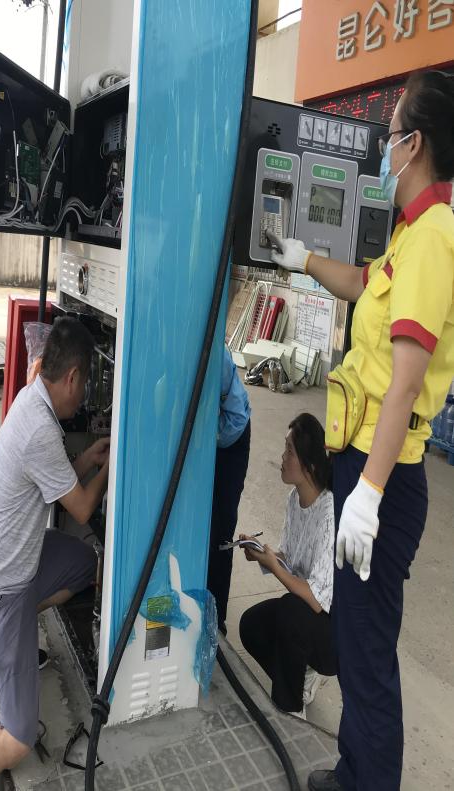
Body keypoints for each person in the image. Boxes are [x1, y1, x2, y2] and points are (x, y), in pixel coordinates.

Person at [268, 70, 454, 791]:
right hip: (364, 468)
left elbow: (404, 382)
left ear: (417, 145)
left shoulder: (435, 238)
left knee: (367, 651)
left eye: (392, 132)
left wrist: (369, 494)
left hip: (387, 478)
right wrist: (302, 259)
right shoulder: (410, 235)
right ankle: (355, 771)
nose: (384, 146)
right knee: (355, 635)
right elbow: (361, 283)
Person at [0, 317, 110, 791]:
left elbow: (56, 476)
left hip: (16, 563)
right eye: (86, 384)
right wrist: (112, 464)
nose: (84, 396)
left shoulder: (32, 397)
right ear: (72, 377)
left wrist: (87, 460)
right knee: (17, 738)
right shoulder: (39, 428)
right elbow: (81, 506)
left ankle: (16, 636)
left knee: (84, 564)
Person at [238, 413, 336, 715]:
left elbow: (317, 599)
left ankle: (291, 711)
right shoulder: (295, 499)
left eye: (289, 451)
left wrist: (275, 566)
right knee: (251, 625)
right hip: (307, 614)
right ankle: (298, 681)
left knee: (290, 611)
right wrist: (261, 553)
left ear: (309, 465)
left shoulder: (329, 513)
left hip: (335, 633)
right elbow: (290, 561)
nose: (282, 457)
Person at [207, 344, 251, 634]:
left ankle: (216, 621)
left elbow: (236, 419)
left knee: (219, 532)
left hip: (231, 439)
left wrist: (204, 438)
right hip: (210, 433)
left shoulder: (216, 356)